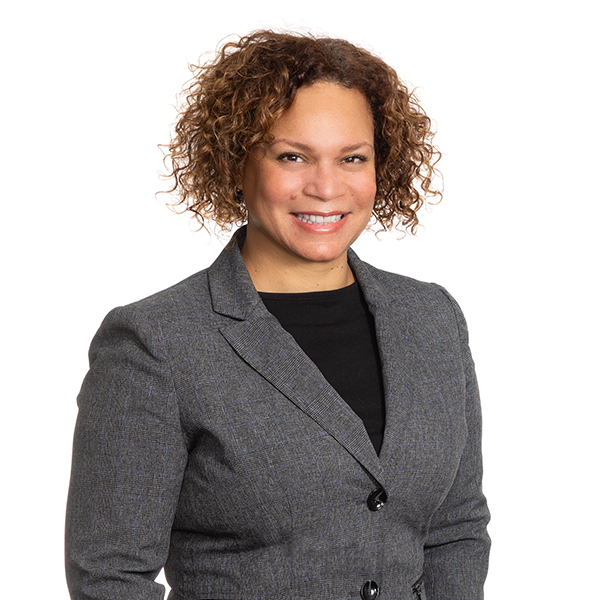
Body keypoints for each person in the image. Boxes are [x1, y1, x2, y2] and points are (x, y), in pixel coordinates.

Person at [65, 30, 490, 600]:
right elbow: (109, 576)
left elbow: (455, 530)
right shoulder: (156, 342)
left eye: (352, 158)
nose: (326, 187)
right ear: (236, 163)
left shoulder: (432, 319)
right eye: (292, 156)